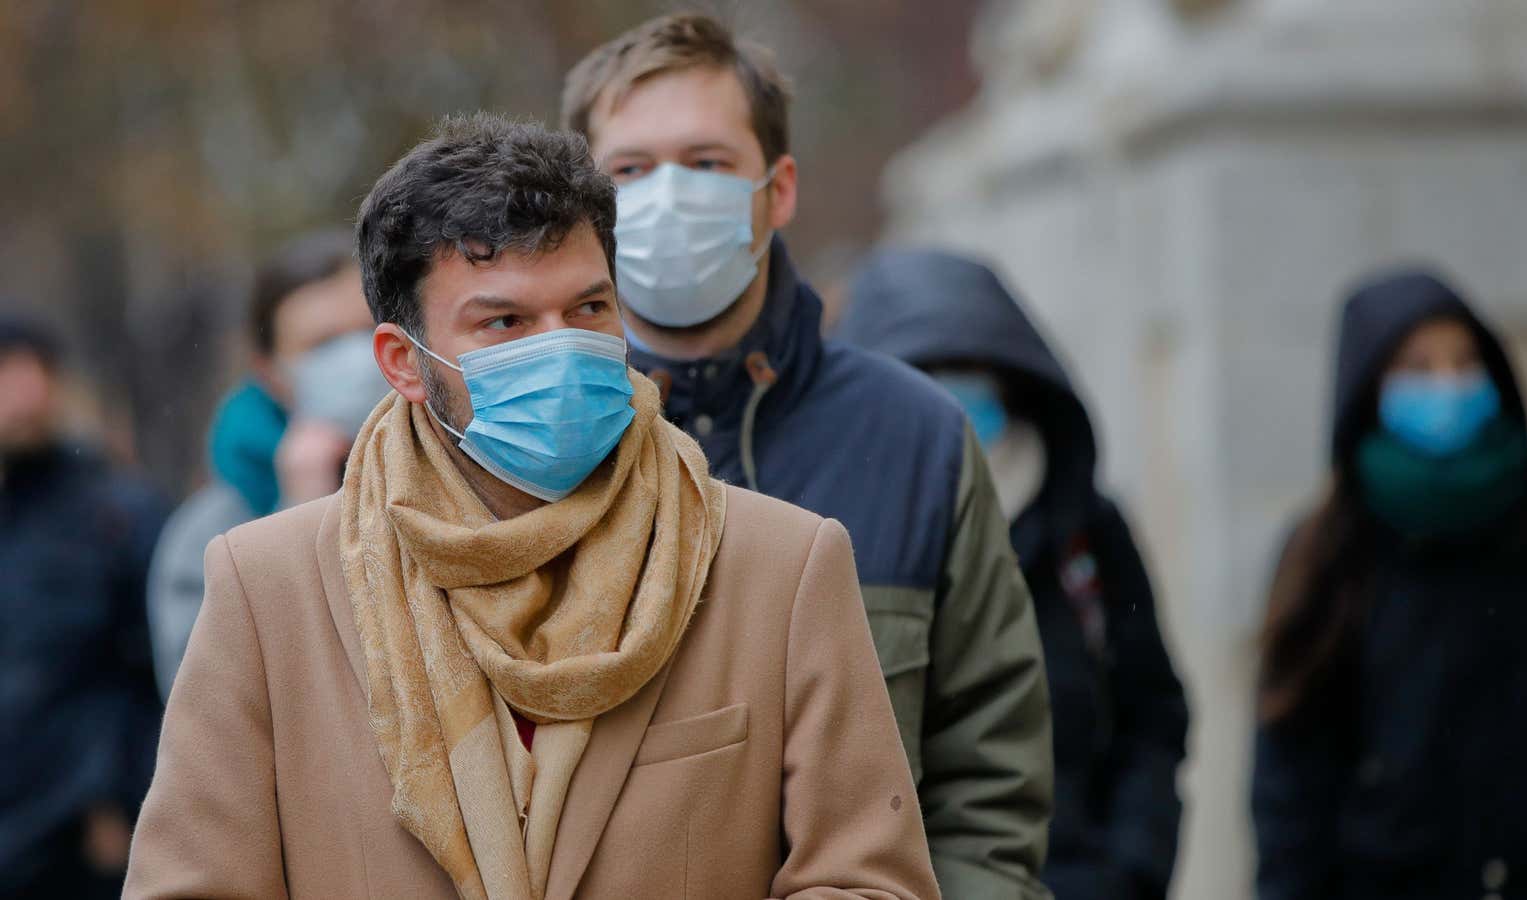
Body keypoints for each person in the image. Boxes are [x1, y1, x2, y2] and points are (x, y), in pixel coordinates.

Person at [125, 113, 939, 900]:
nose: (560, 346)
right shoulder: (266, 589)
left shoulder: (777, 565)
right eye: (505, 321)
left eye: (588, 309)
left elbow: (872, 880)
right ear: (404, 363)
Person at [561, 16, 1053, 896]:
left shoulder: (917, 438)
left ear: (778, 190)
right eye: (629, 169)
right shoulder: (532, 437)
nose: (668, 197)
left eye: (707, 163)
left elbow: (989, 771)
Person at [838, 249, 1191, 899]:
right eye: (925, 376)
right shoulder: (833, 543)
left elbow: (1153, 717)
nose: (951, 403)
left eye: (971, 374)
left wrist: (1133, 868)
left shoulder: (1083, 532)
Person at [1251, 268, 1527, 899]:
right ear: (1370, 387)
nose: (1448, 385)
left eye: (1465, 363)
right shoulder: (1330, 552)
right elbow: (1289, 793)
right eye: (1418, 367)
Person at [146, 230, 389, 698]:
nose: (357, 360)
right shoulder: (208, 533)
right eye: (322, 345)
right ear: (271, 372)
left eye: (367, 332)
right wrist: (299, 517)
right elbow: (211, 712)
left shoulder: (461, 471)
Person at [0, 317, 168, 898]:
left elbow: (159, 673)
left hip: (81, 840)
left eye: (35, 370)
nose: (25, 392)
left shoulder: (116, 514)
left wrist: (122, 799)